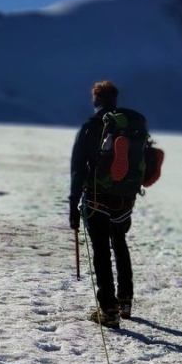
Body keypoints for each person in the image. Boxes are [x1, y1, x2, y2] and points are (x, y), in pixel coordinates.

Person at [69, 80, 138, 327]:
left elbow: (77, 170)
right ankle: (125, 300)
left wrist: (73, 206)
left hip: (97, 199)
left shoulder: (90, 128)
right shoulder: (130, 127)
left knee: (100, 250)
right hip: (124, 199)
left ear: (96, 100)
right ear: (115, 100)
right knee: (119, 242)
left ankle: (108, 311)